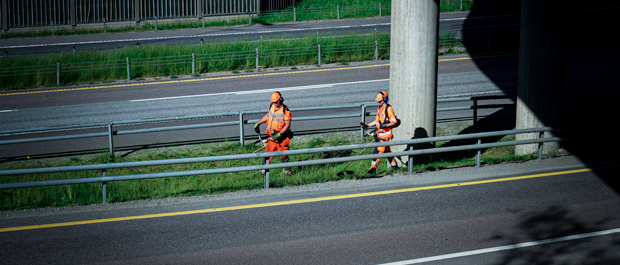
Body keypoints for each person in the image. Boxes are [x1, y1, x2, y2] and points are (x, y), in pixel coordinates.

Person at [254, 91, 293, 174]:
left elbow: (287, 125)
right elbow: (268, 116)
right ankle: (263, 171)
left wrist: (279, 134)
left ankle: (287, 172)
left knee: (284, 155)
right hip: (272, 137)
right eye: (273, 102)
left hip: (281, 139)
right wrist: (258, 123)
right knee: (267, 154)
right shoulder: (271, 106)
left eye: (276, 102)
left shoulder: (285, 110)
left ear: (280, 100)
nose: (274, 103)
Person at [361, 91, 399, 175]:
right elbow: (377, 121)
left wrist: (385, 125)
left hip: (386, 134)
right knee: (386, 151)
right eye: (378, 100)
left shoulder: (389, 109)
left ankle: (372, 170)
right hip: (380, 134)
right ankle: (394, 166)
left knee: (377, 151)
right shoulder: (380, 108)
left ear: (385, 99)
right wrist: (368, 125)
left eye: (380, 100)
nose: (379, 102)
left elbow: (394, 121)